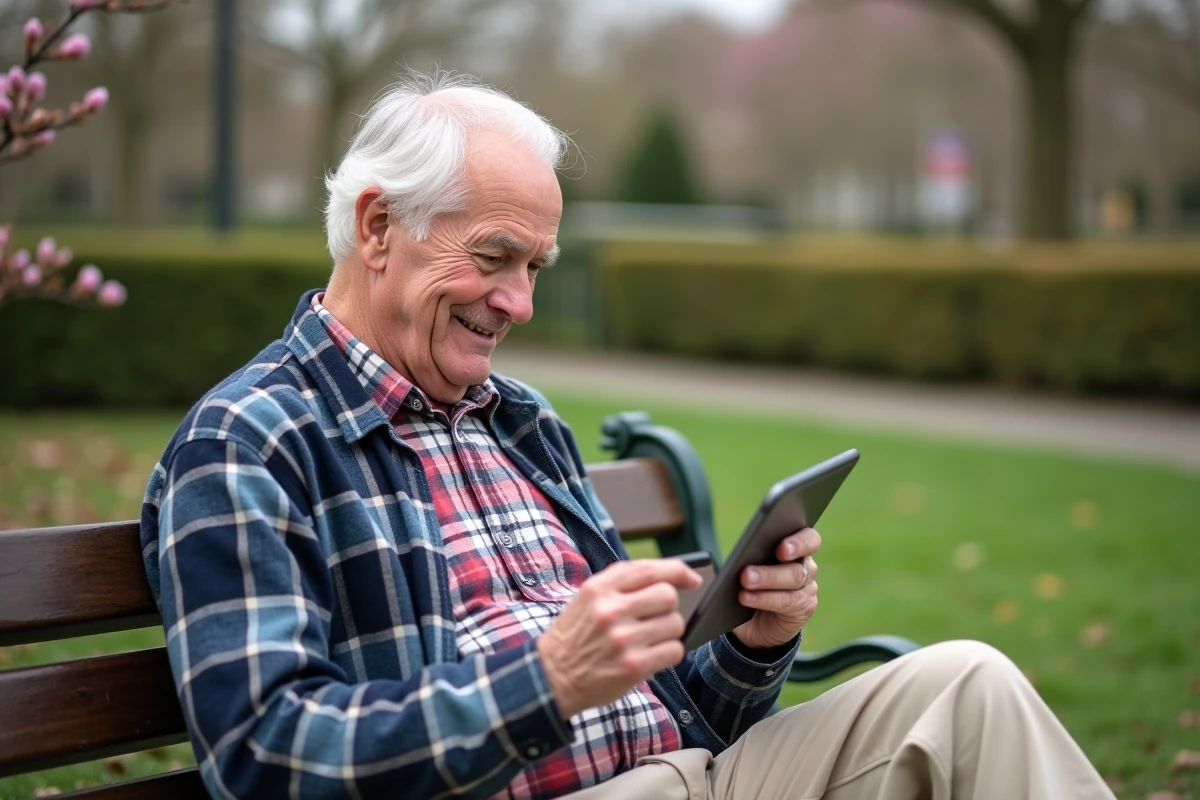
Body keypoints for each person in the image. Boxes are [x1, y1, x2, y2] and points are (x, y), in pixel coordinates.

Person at [140, 73, 1116, 800]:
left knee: (966, 686)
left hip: (691, 776)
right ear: (378, 227)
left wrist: (754, 642)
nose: (519, 302)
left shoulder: (520, 422)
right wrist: (545, 680)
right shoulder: (248, 441)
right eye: (494, 256)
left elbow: (682, 714)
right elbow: (262, 757)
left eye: (536, 267)